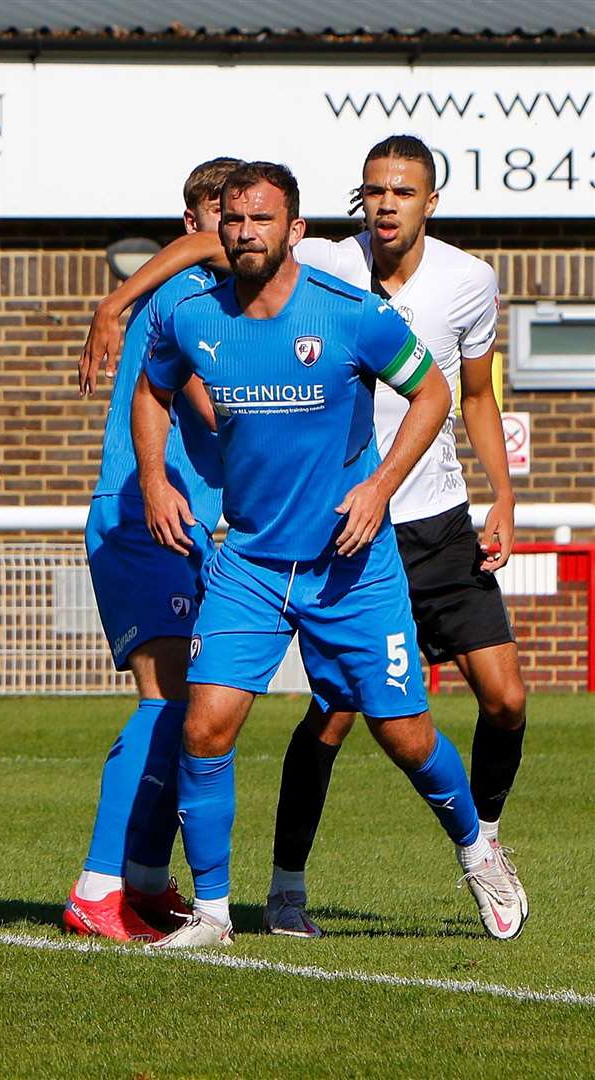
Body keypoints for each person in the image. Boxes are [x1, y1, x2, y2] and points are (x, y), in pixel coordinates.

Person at [86, 136, 529, 939]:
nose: (245, 231)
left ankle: (475, 848)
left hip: (349, 567)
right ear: (216, 229)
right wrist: (152, 478)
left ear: (294, 231)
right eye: (233, 219)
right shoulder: (191, 317)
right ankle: (215, 912)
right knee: (203, 724)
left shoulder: (348, 311)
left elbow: (433, 394)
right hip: (250, 561)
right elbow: (151, 392)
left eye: (262, 219)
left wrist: (377, 486)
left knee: (404, 735)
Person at [64, 157, 237, 943]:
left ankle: (137, 880)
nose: (233, 235)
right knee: (166, 701)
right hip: (142, 514)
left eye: (246, 219)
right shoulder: (185, 288)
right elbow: (210, 408)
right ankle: (97, 889)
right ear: (192, 224)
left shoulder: (219, 295)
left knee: (191, 707)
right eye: (219, 218)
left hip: (186, 525)